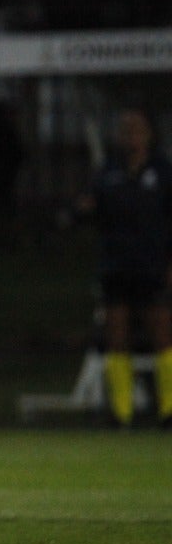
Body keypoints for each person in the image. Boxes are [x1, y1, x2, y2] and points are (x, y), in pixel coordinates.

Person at [76, 106, 172, 428]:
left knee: (162, 332)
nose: (129, 134)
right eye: (124, 128)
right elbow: (90, 209)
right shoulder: (108, 172)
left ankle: (168, 408)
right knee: (116, 334)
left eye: (136, 128)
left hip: (152, 263)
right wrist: (84, 209)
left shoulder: (162, 171)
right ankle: (121, 411)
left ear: (148, 133)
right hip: (116, 264)